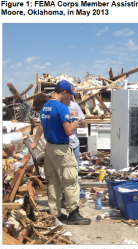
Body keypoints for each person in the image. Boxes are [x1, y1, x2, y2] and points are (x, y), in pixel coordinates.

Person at [30, 80, 91, 225]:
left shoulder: (46, 107)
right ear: (64, 92)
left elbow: (42, 126)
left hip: (49, 148)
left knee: (53, 181)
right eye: (69, 94)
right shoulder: (62, 108)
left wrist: (36, 141)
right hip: (62, 149)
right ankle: (73, 214)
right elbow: (69, 131)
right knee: (70, 181)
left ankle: (55, 213)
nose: (70, 98)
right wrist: (75, 122)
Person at [61, 86, 87, 208]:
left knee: (73, 173)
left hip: (73, 144)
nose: (71, 96)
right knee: (64, 173)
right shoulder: (58, 106)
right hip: (61, 144)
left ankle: (74, 197)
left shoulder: (74, 106)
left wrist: (77, 116)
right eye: (69, 93)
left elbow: (84, 125)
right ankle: (75, 195)